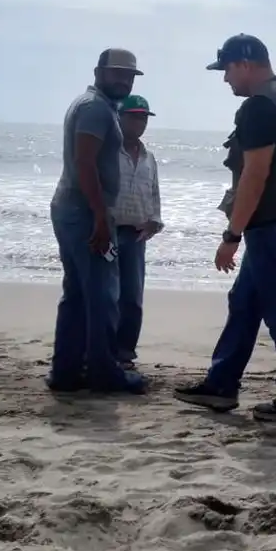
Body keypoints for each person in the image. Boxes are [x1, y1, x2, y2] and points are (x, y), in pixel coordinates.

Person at [173, 34, 276, 422]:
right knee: (245, 303)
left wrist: (232, 236)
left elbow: (255, 176)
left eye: (226, 70)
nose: (225, 80)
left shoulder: (259, 107)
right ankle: (221, 384)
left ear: (244, 63)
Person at [46, 49, 146, 394]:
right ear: (99, 71)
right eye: (117, 73)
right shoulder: (95, 109)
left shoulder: (94, 106)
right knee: (103, 295)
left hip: (73, 208)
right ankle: (104, 373)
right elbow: (84, 161)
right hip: (84, 211)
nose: (123, 80)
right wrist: (101, 217)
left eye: (129, 75)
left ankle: (66, 372)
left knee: (76, 294)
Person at [113, 94, 163, 369]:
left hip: (135, 235)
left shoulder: (148, 157)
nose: (139, 122)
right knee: (106, 296)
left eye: (143, 117)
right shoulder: (107, 153)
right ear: (119, 118)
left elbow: (154, 193)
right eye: (133, 116)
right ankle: (99, 350)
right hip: (106, 231)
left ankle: (125, 354)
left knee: (132, 297)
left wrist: (155, 220)